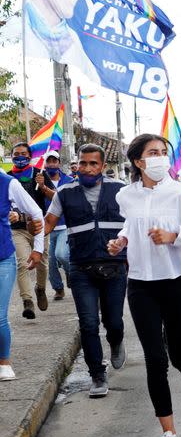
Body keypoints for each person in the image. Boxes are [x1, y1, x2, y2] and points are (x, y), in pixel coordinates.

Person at [108, 134, 181, 437]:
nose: (160, 158)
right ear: (138, 161)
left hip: (177, 283)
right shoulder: (128, 196)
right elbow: (131, 223)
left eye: (163, 153)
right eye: (153, 153)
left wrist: (174, 235)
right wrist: (121, 240)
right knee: (155, 358)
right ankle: (169, 432)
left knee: (180, 353)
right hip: (141, 285)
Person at [45, 144, 127, 398]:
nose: (87, 168)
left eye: (93, 164)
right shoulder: (64, 193)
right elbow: (48, 223)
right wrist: (35, 248)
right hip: (81, 268)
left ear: (103, 166)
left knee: (113, 321)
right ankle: (97, 375)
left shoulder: (121, 190)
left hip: (115, 267)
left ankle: (115, 341)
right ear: (76, 164)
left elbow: (136, 222)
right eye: (83, 163)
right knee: (88, 323)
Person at [0, 170, 45, 381]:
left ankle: (4, 362)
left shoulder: (7, 183)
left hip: (2, 258)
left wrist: (37, 248)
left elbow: (36, 213)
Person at [9, 142, 54, 319]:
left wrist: (43, 186)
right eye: (16, 154)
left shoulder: (39, 173)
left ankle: (40, 289)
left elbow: (55, 197)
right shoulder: (8, 177)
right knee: (22, 263)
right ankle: (27, 301)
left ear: (30, 156)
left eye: (23, 154)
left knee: (42, 262)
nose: (20, 157)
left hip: (39, 227)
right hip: (17, 229)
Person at [43, 151, 72, 300]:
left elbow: (62, 198)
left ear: (59, 163)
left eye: (55, 161)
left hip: (65, 225)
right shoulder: (39, 181)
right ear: (45, 163)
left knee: (61, 254)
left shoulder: (69, 180)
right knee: (51, 262)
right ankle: (58, 289)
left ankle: (70, 273)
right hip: (47, 227)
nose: (52, 164)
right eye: (49, 161)